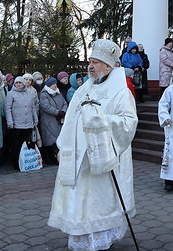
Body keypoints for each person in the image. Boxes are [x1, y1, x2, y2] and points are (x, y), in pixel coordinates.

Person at [48, 39, 138, 250]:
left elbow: (129, 122)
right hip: (78, 157)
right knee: (81, 200)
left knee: (99, 202)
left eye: (96, 62)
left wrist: (102, 120)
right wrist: (62, 147)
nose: (90, 66)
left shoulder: (121, 91)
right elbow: (70, 119)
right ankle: (82, 238)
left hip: (103, 157)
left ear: (108, 65)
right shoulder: (83, 89)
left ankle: (101, 239)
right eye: (90, 61)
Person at [5, 76, 38, 170]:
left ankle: (26, 163)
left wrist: (35, 120)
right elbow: (7, 108)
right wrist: (10, 122)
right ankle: (16, 163)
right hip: (16, 124)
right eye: (16, 83)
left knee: (26, 144)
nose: (18, 84)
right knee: (16, 145)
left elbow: (32, 108)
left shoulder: (28, 94)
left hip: (28, 123)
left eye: (20, 82)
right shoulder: (11, 94)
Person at [39, 77, 68, 165]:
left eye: (55, 84)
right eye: (53, 84)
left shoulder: (58, 93)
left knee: (57, 139)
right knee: (49, 140)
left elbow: (65, 103)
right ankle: (49, 158)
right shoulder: (44, 94)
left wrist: (63, 111)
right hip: (49, 120)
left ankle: (57, 157)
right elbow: (46, 106)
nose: (55, 86)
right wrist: (57, 112)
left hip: (59, 119)